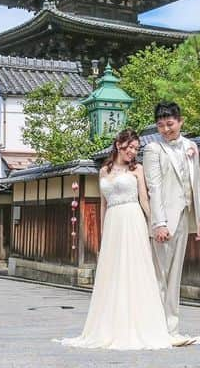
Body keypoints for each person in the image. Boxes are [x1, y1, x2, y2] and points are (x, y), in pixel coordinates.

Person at [58, 128, 178, 350]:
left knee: (135, 270)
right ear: (118, 145)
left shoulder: (138, 170)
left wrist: (157, 223)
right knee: (112, 272)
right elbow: (103, 204)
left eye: (136, 148)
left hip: (132, 219)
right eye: (130, 147)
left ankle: (139, 324)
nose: (133, 152)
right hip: (113, 221)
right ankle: (109, 325)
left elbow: (144, 199)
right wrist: (103, 236)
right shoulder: (104, 171)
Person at [142, 101, 200, 337]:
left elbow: (196, 183)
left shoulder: (191, 146)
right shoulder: (152, 150)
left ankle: (172, 327)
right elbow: (154, 188)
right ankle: (155, 327)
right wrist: (158, 223)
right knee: (159, 275)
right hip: (164, 220)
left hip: (184, 217)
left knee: (175, 276)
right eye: (160, 125)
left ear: (180, 122)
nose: (166, 129)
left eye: (170, 124)